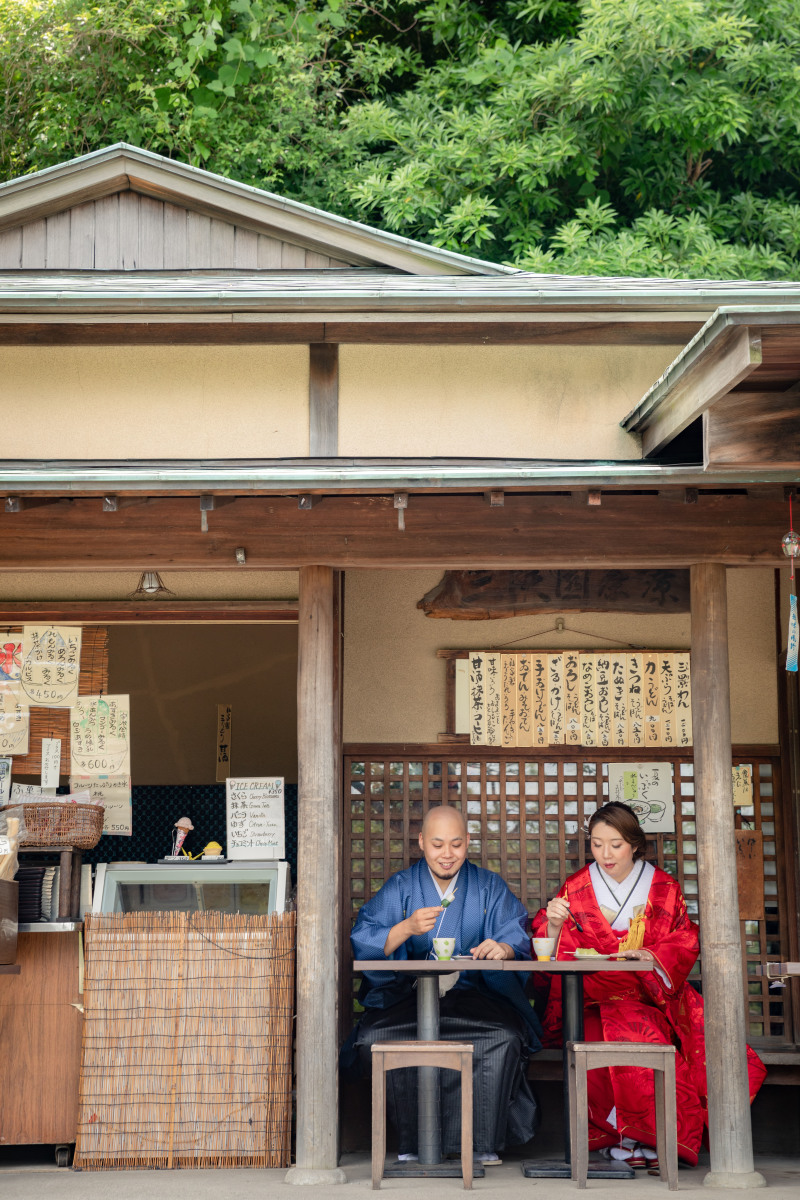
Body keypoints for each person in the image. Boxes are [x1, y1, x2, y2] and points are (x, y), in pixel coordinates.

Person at [531, 801, 767, 1169]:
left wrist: (653, 956)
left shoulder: (663, 888)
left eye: (616, 844)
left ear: (635, 844)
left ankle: (651, 1138)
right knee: (591, 1042)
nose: (605, 854)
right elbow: (545, 946)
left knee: (659, 1041)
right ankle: (626, 1139)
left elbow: (685, 939)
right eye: (596, 844)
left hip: (651, 1000)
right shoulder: (576, 888)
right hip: (591, 998)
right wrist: (556, 924)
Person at [342, 803, 542, 1164]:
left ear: (468, 842)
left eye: (455, 844)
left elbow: (517, 935)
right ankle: (411, 1143)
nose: (447, 854)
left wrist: (503, 947)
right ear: (421, 842)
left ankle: (481, 1143)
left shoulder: (488, 886)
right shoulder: (402, 886)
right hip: (409, 998)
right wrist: (405, 928)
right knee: (373, 1040)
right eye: (437, 845)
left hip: (474, 996)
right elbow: (363, 938)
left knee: (504, 1037)